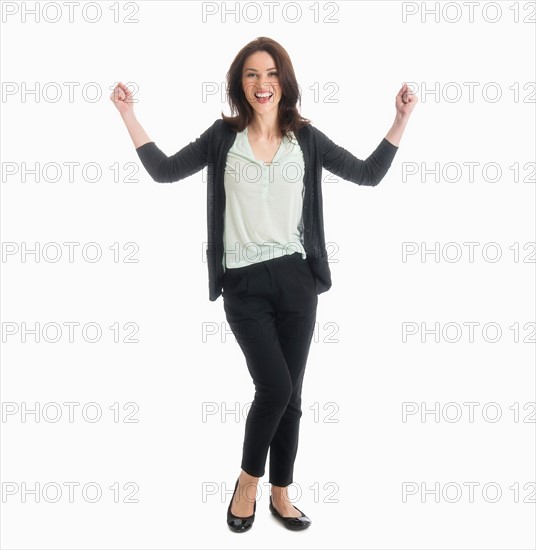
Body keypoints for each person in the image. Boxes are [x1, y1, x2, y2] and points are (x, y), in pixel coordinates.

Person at [110, 36, 417, 533]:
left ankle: (281, 492)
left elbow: (367, 174)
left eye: (271, 73)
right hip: (245, 286)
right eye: (252, 74)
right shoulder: (221, 137)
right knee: (273, 386)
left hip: (297, 280)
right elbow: (164, 171)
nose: (262, 83)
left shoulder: (307, 139)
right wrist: (128, 114)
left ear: (284, 82)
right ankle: (248, 482)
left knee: (292, 396)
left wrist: (400, 120)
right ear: (240, 84)